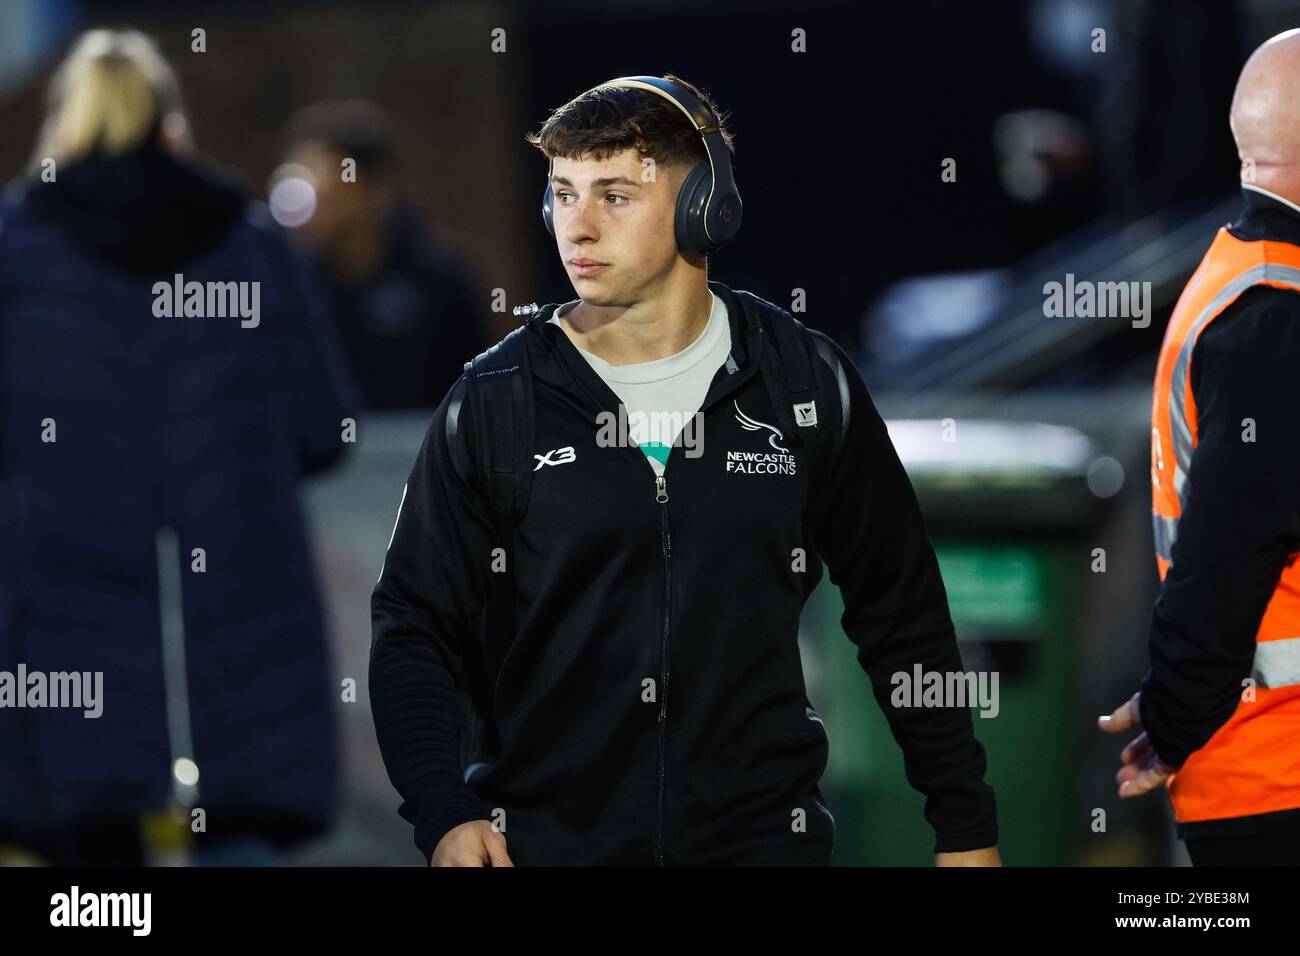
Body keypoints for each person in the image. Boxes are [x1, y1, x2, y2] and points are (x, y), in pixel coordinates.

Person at [370, 74, 1000, 866]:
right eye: (563, 194)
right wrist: (444, 810)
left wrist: (965, 825)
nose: (577, 226)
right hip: (545, 851)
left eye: (614, 196)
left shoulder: (801, 381)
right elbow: (413, 626)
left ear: (706, 206)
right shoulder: (496, 399)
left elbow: (901, 610)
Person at [0, 29, 360, 865]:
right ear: (170, 123)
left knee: (94, 889)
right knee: (240, 836)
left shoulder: (14, 250)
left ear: (65, 121)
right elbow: (323, 428)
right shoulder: (252, 241)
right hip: (242, 645)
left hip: (63, 650)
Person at [1099, 29, 1300, 867]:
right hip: (1275, 776)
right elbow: (1223, 557)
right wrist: (1174, 715)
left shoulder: (1247, 277)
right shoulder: (1277, 316)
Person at [275, 99, 488, 410]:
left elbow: (478, 393)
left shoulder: (441, 281)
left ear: (375, 186)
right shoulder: (288, 286)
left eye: (326, 182)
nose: (310, 200)